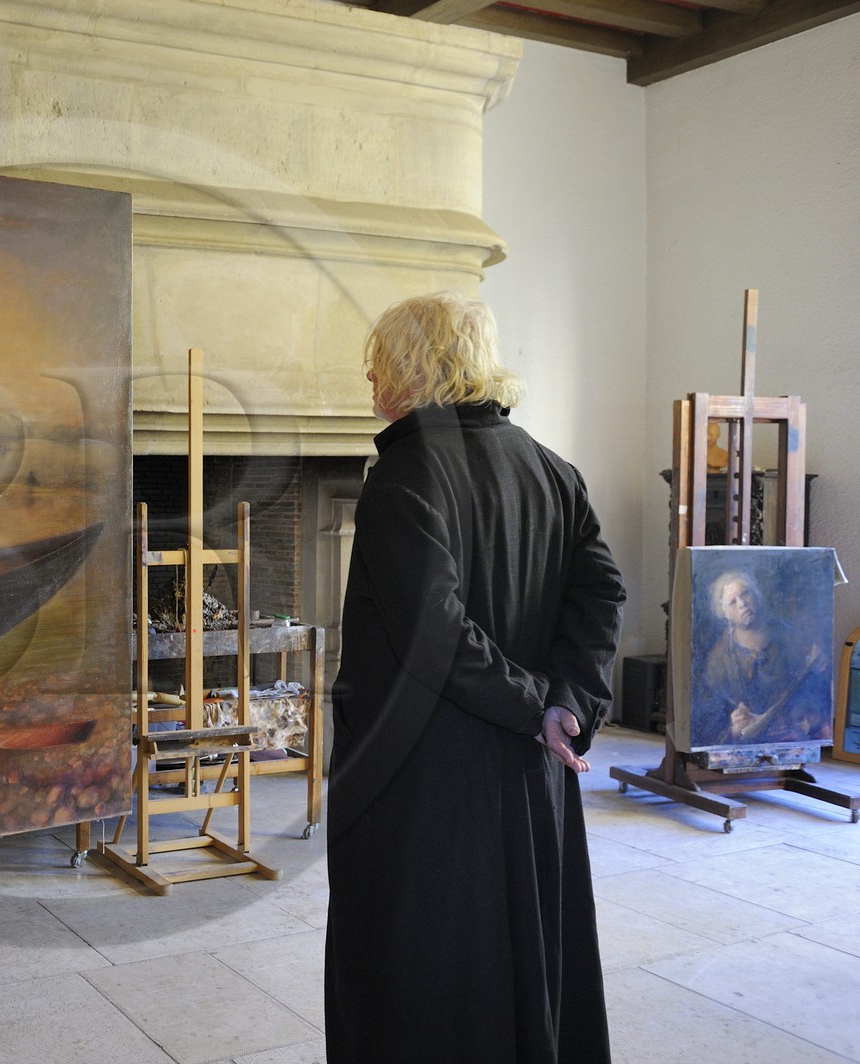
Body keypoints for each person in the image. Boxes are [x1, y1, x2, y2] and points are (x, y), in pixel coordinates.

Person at [325, 292, 625, 1063]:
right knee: (520, 951)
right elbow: (600, 596)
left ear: (414, 369)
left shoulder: (404, 477)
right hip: (531, 771)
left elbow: (434, 630)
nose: (370, 376)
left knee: (421, 968)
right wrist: (566, 705)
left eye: (379, 361)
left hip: (423, 777)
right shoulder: (554, 471)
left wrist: (538, 709)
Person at [693, 570, 827, 746]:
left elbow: (812, 690)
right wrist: (733, 726)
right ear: (723, 612)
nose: (742, 604)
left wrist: (819, 666)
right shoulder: (718, 660)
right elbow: (709, 716)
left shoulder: (788, 637)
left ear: (754, 594)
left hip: (791, 733)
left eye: (745, 594)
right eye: (733, 602)